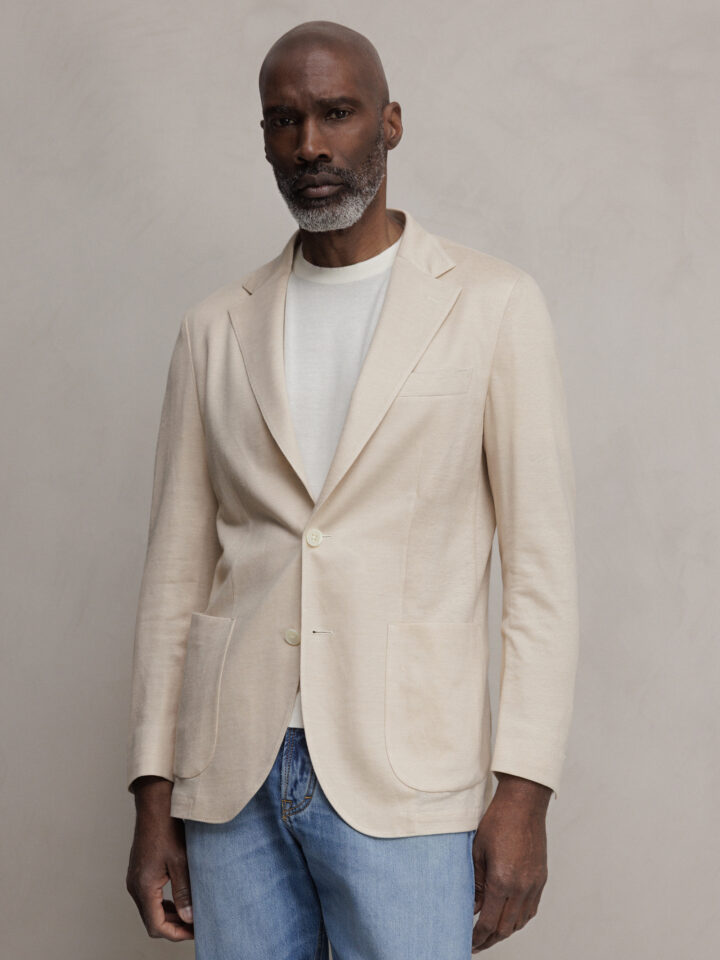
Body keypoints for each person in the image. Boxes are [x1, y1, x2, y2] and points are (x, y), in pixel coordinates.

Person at [125, 19, 579, 958]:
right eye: (284, 121)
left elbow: (540, 576)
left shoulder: (492, 305)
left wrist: (524, 792)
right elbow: (174, 579)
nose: (311, 145)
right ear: (264, 138)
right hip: (232, 778)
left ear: (390, 122)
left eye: (337, 113)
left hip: (405, 775)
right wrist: (153, 794)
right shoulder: (214, 328)